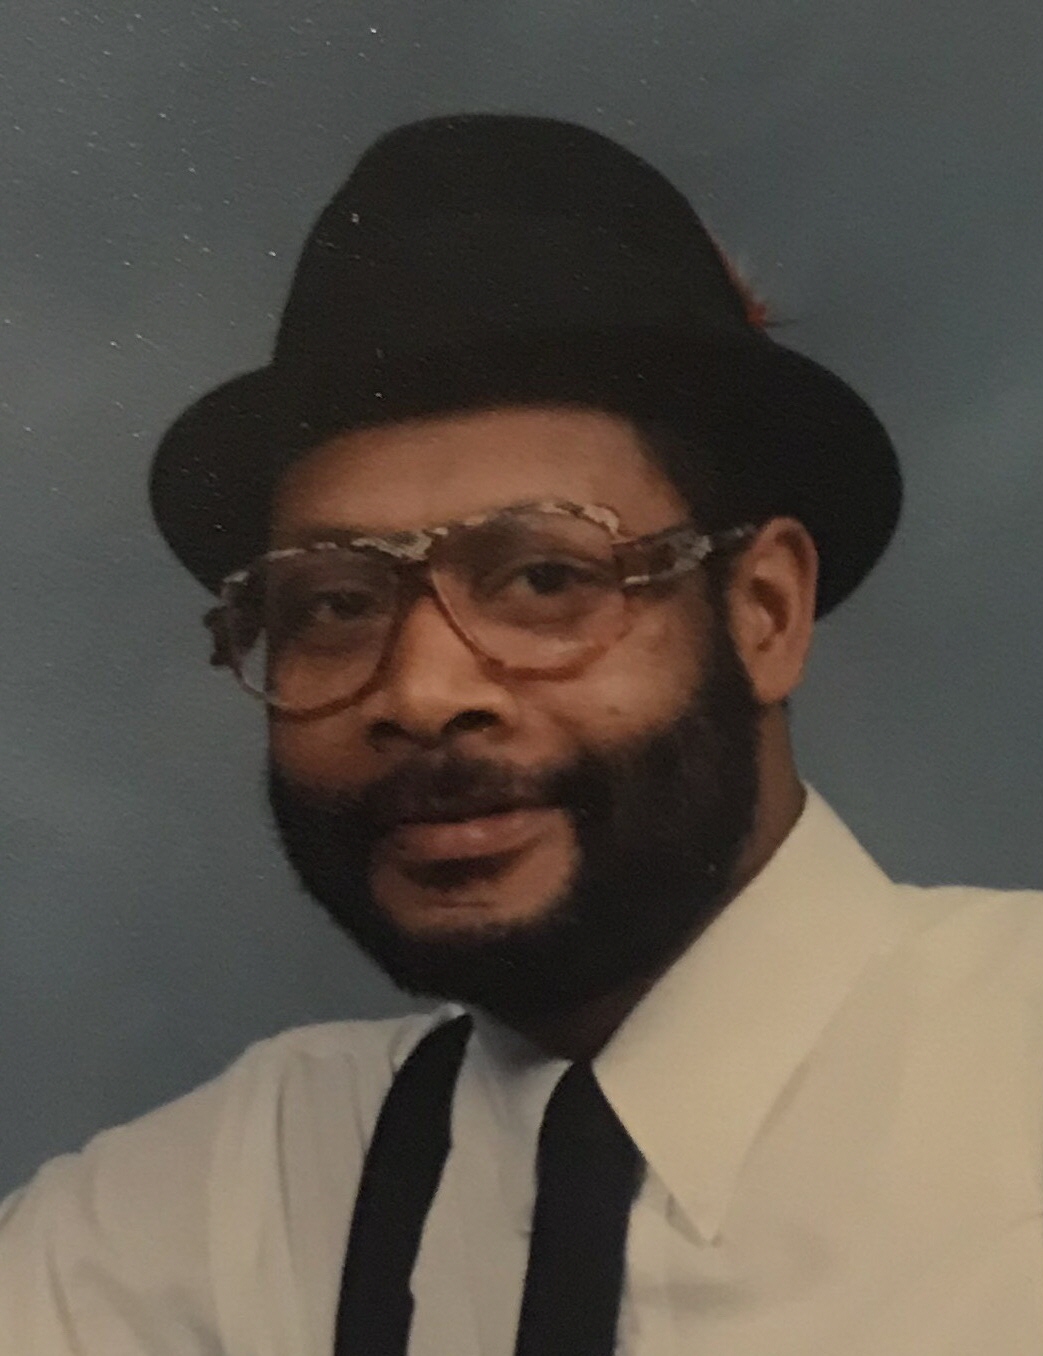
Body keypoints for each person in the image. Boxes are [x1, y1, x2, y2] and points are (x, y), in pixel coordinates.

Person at [1, 112, 1040, 1356]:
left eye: (545, 577)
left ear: (763, 612)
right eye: (332, 605)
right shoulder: (206, 1212)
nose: (420, 691)